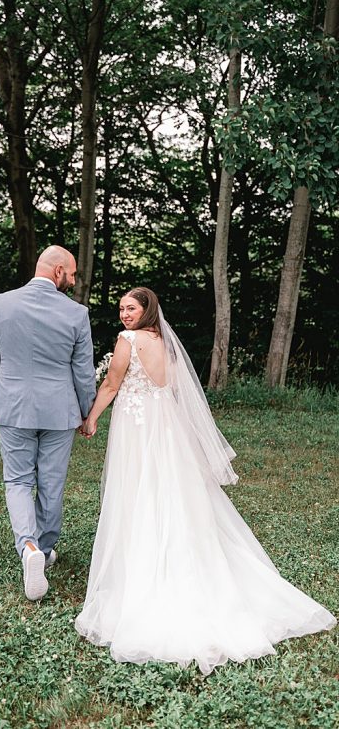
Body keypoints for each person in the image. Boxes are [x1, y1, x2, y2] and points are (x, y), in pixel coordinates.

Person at [75, 287, 336, 674]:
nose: (124, 314)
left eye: (130, 308)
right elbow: (178, 391)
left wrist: (92, 416)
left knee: (138, 492)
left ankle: (146, 573)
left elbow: (112, 385)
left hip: (138, 429)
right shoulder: (166, 342)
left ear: (147, 310)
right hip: (166, 430)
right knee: (173, 493)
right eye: (121, 309)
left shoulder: (128, 341)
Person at [0, 246, 96, 601]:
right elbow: (83, 371)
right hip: (60, 409)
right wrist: (86, 412)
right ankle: (44, 545)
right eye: (71, 274)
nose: (73, 281)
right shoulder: (76, 313)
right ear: (58, 271)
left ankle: (29, 548)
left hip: (12, 407)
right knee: (52, 482)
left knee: (17, 479)